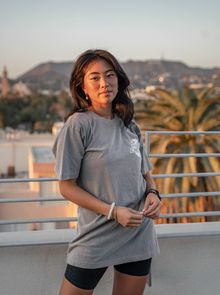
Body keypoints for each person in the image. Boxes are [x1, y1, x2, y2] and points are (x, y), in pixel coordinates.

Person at [52, 49, 161, 295]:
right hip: (96, 235)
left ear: (118, 80)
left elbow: (145, 172)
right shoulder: (78, 125)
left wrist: (153, 193)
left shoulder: (130, 125)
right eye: (95, 77)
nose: (104, 83)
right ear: (82, 87)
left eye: (110, 75)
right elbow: (66, 187)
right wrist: (113, 212)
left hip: (137, 233)